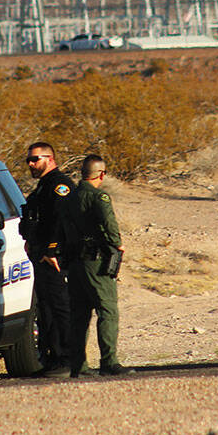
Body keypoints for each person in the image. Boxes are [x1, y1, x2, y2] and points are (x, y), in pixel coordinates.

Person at [60, 154, 133, 377]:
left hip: (74, 263)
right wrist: (117, 244)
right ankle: (109, 362)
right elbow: (109, 224)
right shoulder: (98, 197)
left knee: (79, 315)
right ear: (101, 174)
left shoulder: (68, 197)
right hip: (96, 261)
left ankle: (78, 366)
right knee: (107, 310)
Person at [20, 141, 74, 377]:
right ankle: (52, 358)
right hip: (40, 255)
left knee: (59, 307)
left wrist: (52, 250)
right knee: (46, 308)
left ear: (50, 159)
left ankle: (68, 358)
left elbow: (62, 220)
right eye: (29, 160)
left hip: (53, 257)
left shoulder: (59, 186)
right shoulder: (44, 186)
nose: (31, 164)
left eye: (36, 159)